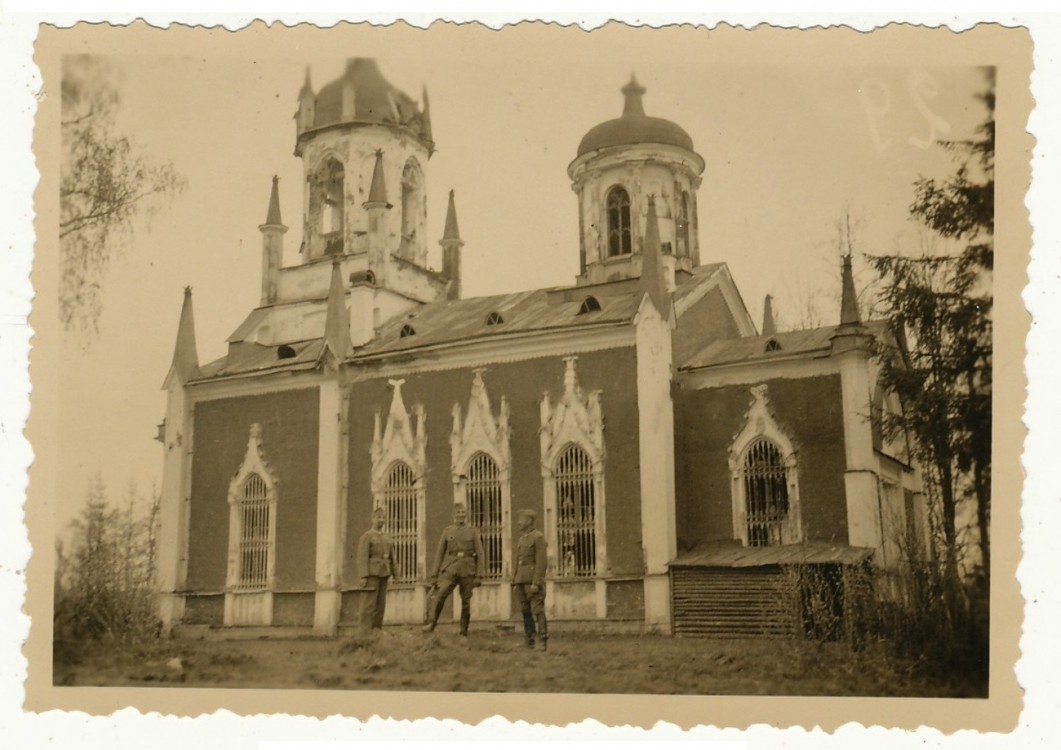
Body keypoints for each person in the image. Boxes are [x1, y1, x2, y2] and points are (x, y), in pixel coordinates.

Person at [423, 503, 485, 636]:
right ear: (454, 515)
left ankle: (463, 631)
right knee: (441, 594)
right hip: (450, 568)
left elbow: (480, 553)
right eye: (458, 513)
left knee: (466, 601)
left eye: (463, 513)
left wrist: (479, 575)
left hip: (468, 569)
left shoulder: (472, 531)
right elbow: (440, 553)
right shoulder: (447, 531)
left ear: (466, 514)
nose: (461, 515)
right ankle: (432, 623)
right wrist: (434, 574)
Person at [357, 506, 398, 630]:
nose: (381, 520)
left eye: (383, 518)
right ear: (372, 519)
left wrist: (396, 574)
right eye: (378, 517)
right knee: (368, 606)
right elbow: (362, 557)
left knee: (380, 606)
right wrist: (363, 576)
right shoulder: (367, 536)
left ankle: (376, 633)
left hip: (384, 573)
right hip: (371, 575)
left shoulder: (387, 537)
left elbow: (392, 557)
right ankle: (364, 634)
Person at [513, 508, 548, 651]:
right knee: (525, 611)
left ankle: (543, 640)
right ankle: (530, 640)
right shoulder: (522, 539)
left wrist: (536, 582)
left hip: (532, 582)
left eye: (521, 520)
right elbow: (517, 561)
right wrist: (515, 581)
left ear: (529, 521)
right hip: (521, 581)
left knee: (537, 610)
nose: (518, 523)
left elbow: (541, 562)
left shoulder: (538, 537)